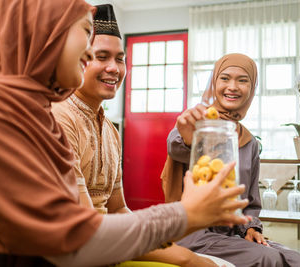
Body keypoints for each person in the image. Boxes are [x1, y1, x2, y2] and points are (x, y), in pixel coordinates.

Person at [0, 1, 250, 266]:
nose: (88, 47)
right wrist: (185, 216)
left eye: (119, 58)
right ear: (43, 34)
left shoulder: (40, 117)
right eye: (83, 31)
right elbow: (74, 240)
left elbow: (108, 215)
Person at [52, 4, 222, 266]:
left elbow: (119, 209)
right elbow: (86, 231)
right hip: (81, 250)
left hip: (110, 244)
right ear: (81, 58)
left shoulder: (110, 130)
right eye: (102, 56)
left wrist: (173, 248)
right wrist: (184, 251)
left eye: (120, 59)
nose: (114, 68)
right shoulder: (59, 118)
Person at [161, 53, 300, 267]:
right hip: (192, 231)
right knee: (269, 259)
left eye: (243, 80)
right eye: (225, 78)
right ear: (214, 83)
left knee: (296, 260)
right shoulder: (197, 125)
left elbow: (250, 201)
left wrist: (251, 228)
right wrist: (188, 134)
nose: (233, 86)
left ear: (252, 88)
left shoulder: (249, 142)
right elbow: (177, 147)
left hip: (231, 234)